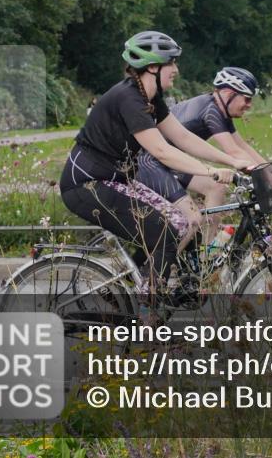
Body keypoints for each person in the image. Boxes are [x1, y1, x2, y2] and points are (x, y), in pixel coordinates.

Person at [59, 31, 245, 293]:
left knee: (184, 221)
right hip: (86, 185)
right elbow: (162, 151)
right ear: (153, 66)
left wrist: (232, 161)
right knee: (165, 230)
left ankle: (133, 287)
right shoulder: (129, 98)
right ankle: (149, 314)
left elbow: (181, 137)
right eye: (171, 63)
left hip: (114, 180)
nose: (176, 69)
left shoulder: (150, 98)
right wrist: (210, 172)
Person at [136, 67, 266, 248]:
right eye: (247, 98)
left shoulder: (218, 108)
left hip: (168, 163)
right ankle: (166, 268)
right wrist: (269, 178)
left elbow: (242, 146)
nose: (249, 104)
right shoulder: (211, 112)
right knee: (192, 219)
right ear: (228, 94)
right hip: (151, 163)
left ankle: (204, 253)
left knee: (216, 187)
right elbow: (234, 152)